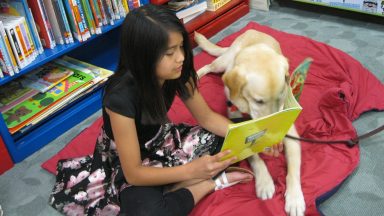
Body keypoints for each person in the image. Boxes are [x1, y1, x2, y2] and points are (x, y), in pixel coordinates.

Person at [49, 4, 283, 216]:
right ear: (144, 56)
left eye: (181, 47)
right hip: (129, 160)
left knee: (234, 141)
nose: (181, 57)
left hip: (164, 140)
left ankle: (178, 181)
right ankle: (209, 183)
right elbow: (133, 173)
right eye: (170, 53)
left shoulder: (178, 73)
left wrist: (256, 134)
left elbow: (208, 118)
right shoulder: (120, 98)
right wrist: (193, 172)